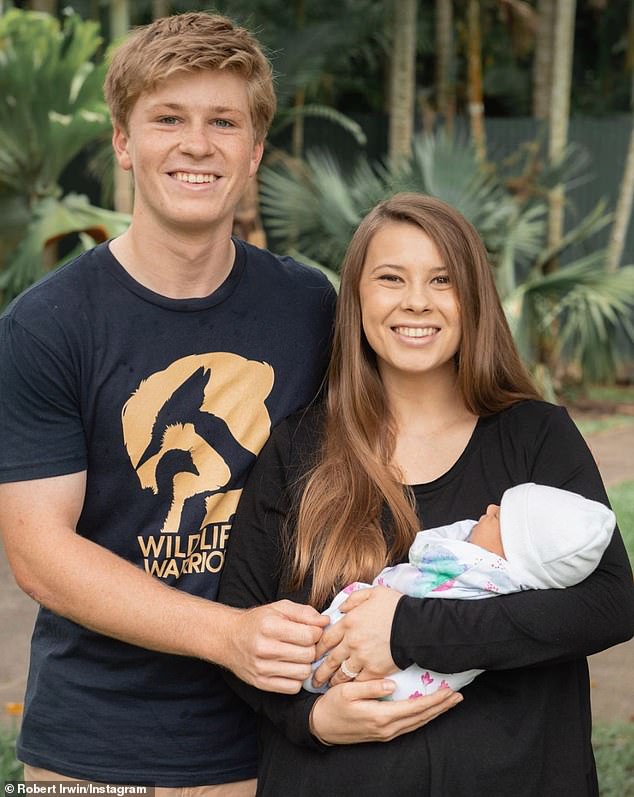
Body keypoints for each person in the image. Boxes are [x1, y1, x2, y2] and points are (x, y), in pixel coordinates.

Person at [0, 11, 344, 793]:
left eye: (224, 121)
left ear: (254, 150)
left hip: (264, 735)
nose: (197, 143)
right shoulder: (47, 325)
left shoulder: (307, 307)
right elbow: (40, 557)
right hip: (87, 746)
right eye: (168, 118)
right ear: (123, 142)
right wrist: (228, 634)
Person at [218, 192, 634, 796]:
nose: (416, 300)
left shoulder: (535, 436)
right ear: (356, 300)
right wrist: (310, 719)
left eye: (442, 279)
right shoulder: (297, 449)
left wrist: (408, 630)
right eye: (391, 278)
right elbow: (242, 625)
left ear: (473, 300)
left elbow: (609, 604)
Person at [305, 482, 616, 701]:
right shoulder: (512, 593)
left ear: (511, 552)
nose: (490, 508)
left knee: (316, 656)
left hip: (367, 666)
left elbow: (413, 572)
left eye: (498, 517)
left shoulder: (469, 573)